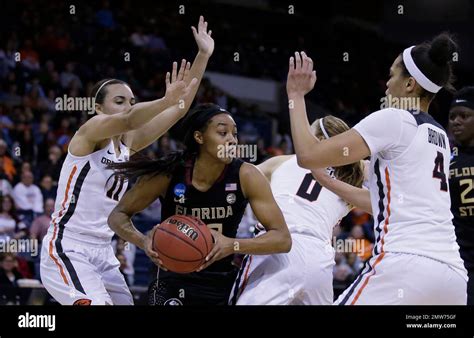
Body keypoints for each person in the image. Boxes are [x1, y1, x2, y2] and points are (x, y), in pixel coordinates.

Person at [40, 15, 215, 305]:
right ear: (98, 107)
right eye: (119, 100)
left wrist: (203, 56)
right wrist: (164, 101)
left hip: (104, 252)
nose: (128, 106)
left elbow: (180, 108)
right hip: (68, 247)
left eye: (131, 100)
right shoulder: (90, 132)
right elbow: (134, 117)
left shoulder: (128, 144)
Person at [286, 33, 467, 304]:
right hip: (452, 277)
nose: (386, 84)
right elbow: (385, 202)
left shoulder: (394, 119)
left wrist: (295, 96)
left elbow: (308, 155)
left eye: (392, 75)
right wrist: (331, 183)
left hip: (405, 265)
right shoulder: (439, 135)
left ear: (409, 84)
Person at [108, 103, 291, 305]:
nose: (232, 139)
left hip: (220, 281)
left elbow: (283, 239)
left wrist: (233, 245)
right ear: (199, 137)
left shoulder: (247, 175)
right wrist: (142, 241)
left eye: (234, 134)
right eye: (223, 132)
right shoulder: (169, 173)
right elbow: (118, 215)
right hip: (170, 277)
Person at [231, 116, 364, 305]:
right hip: (320, 259)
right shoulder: (349, 181)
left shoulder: (281, 162)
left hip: (278, 246)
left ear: (318, 139)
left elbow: (236, 184)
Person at [448, 86, 474, 305]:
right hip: (459, 259)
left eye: (464, 116)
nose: (456, 121)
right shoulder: (444, 159)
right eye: (452, 117)